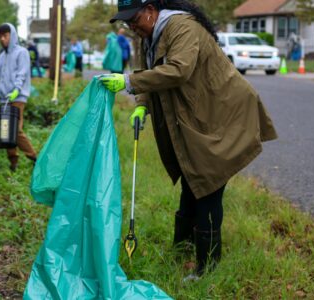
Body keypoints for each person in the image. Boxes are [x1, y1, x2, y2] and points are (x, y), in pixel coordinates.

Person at [101, 0, 277, 280]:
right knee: (191, 179)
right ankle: (182, 249)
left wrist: (128, 82)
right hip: (198, 114)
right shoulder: (149, 37)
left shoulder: (182, 27)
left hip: (222, 113)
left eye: (134, 18)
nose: (132, 26)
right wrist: (142, 105)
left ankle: (207, 268)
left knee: (207, 184)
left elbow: (178, 70)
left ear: (150, 9)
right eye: (127, 22)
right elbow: (146, 72)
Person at [0, 23, 38, 171]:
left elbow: (22, 73)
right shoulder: (1, 56)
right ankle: (13, 162)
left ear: (12, 35)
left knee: (16, 130)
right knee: (6, 131)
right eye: (0, 36)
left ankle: (34, 157)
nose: (2, 39)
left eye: (5, 35)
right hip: (4, 99)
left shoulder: (21, 52)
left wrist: (16, 90)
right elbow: (0, 79)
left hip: (17, 98)